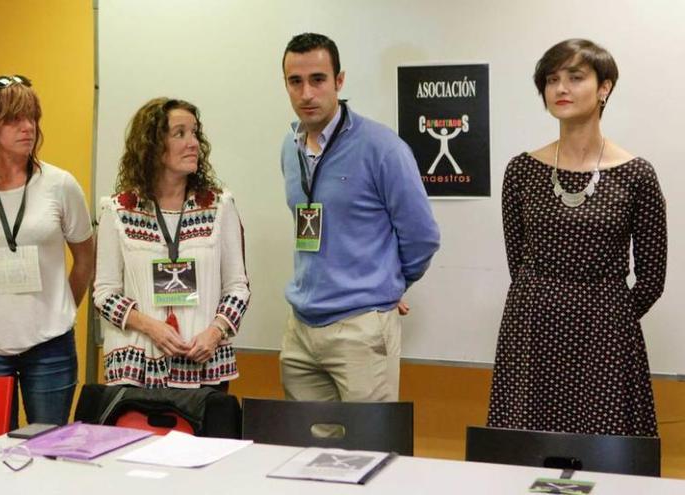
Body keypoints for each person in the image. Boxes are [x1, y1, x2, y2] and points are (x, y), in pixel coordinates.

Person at [487, 39, 666, 436]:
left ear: (605, 88)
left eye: (575, 77)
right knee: (527, 447)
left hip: (606, 334)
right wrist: (551, 302)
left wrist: (606, 314)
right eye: (552, 80)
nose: (560, 88)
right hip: (532, 328)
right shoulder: (521, 171)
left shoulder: (637, 175)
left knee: (603, 450)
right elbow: (518, 261)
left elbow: (652, 278)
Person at [279, 33, 440, 402]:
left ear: (339, 81)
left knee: (369, 450)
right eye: (295, 81)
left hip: (361, 329)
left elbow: (422, 237)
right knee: (304, 452)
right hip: (301, 328)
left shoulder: (382, 148)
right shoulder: (289, 148)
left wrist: (387, 284)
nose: (306, 93)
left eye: (318, 79)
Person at [0, 75, 94, 426]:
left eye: (32, 118)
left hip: (50, 344)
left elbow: (85, 258)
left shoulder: (60, 185)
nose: (28, 128)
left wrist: (63, 307)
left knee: (49, 449)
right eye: (14, 119)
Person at [94, 97, 250, 390]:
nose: (193, 143)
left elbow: (237, 288)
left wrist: (215, 333)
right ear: (151, 145)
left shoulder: (218, 205)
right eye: (180, 133)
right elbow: (104, 294)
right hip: (136, 370)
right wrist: (152, 328)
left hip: (203, 365)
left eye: (195, 133)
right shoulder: (118, 209)